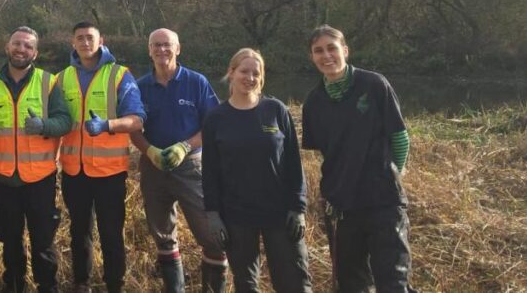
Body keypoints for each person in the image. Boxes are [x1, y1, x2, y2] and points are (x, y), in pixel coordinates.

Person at [302, 26, 415, 293]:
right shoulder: (313, 102)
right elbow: (327, 153)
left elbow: (400, 138)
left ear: (345, 50)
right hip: (341, 207)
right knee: (351, 283)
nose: (326, 55)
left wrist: (392, 177)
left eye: (332, 48)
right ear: (312, 57)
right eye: (319, 50)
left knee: (393, 281)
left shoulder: (374, 85)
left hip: (383, 202)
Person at [202, 48, 311, 293]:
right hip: (237, 214)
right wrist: (213, 214)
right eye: (244, 71)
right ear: (231, 73)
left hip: (280, 214)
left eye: (256, 73)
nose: (250, 78)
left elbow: (294, 163)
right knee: (246, 284)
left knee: (294, 282)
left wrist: (298, 208)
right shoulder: (216, 118)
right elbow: (210, 172)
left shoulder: (275, 110)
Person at [131, 28, 228, 292]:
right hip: (153, 167)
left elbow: (212, 126)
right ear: (149, 50)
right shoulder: (139, 86)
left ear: (178, 48)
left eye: (167, 45)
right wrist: (149, 150)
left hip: (190, 167)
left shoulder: (196, 82)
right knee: (162, 233)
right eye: (156, 45)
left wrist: (185, 147)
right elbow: (133, 129)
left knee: (212, 236)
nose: (162, 50)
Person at [0, 27, 72, 293]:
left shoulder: (49, 82)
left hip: (40, 177)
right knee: (10, 239)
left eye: (28, 46)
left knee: (43, 240)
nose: (21, 49)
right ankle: (14, 285)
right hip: (3, 176)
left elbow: (65, 121)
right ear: (7, 47)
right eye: (17, 44)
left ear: (35, 52)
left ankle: (47, 286)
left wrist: (44, 125)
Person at [58, 21, 145, 293]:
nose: (85, 42)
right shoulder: (61, 78)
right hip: (74, 171)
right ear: (73, 43)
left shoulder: (120, 75)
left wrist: (107, 125)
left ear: (101, 40)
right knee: (79, 232)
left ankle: (114, 285)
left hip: (109, 172)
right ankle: (81, 283)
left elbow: (137, 120)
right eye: (80, 38)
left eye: (90, 37)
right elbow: (57, 120)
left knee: (110, 234)